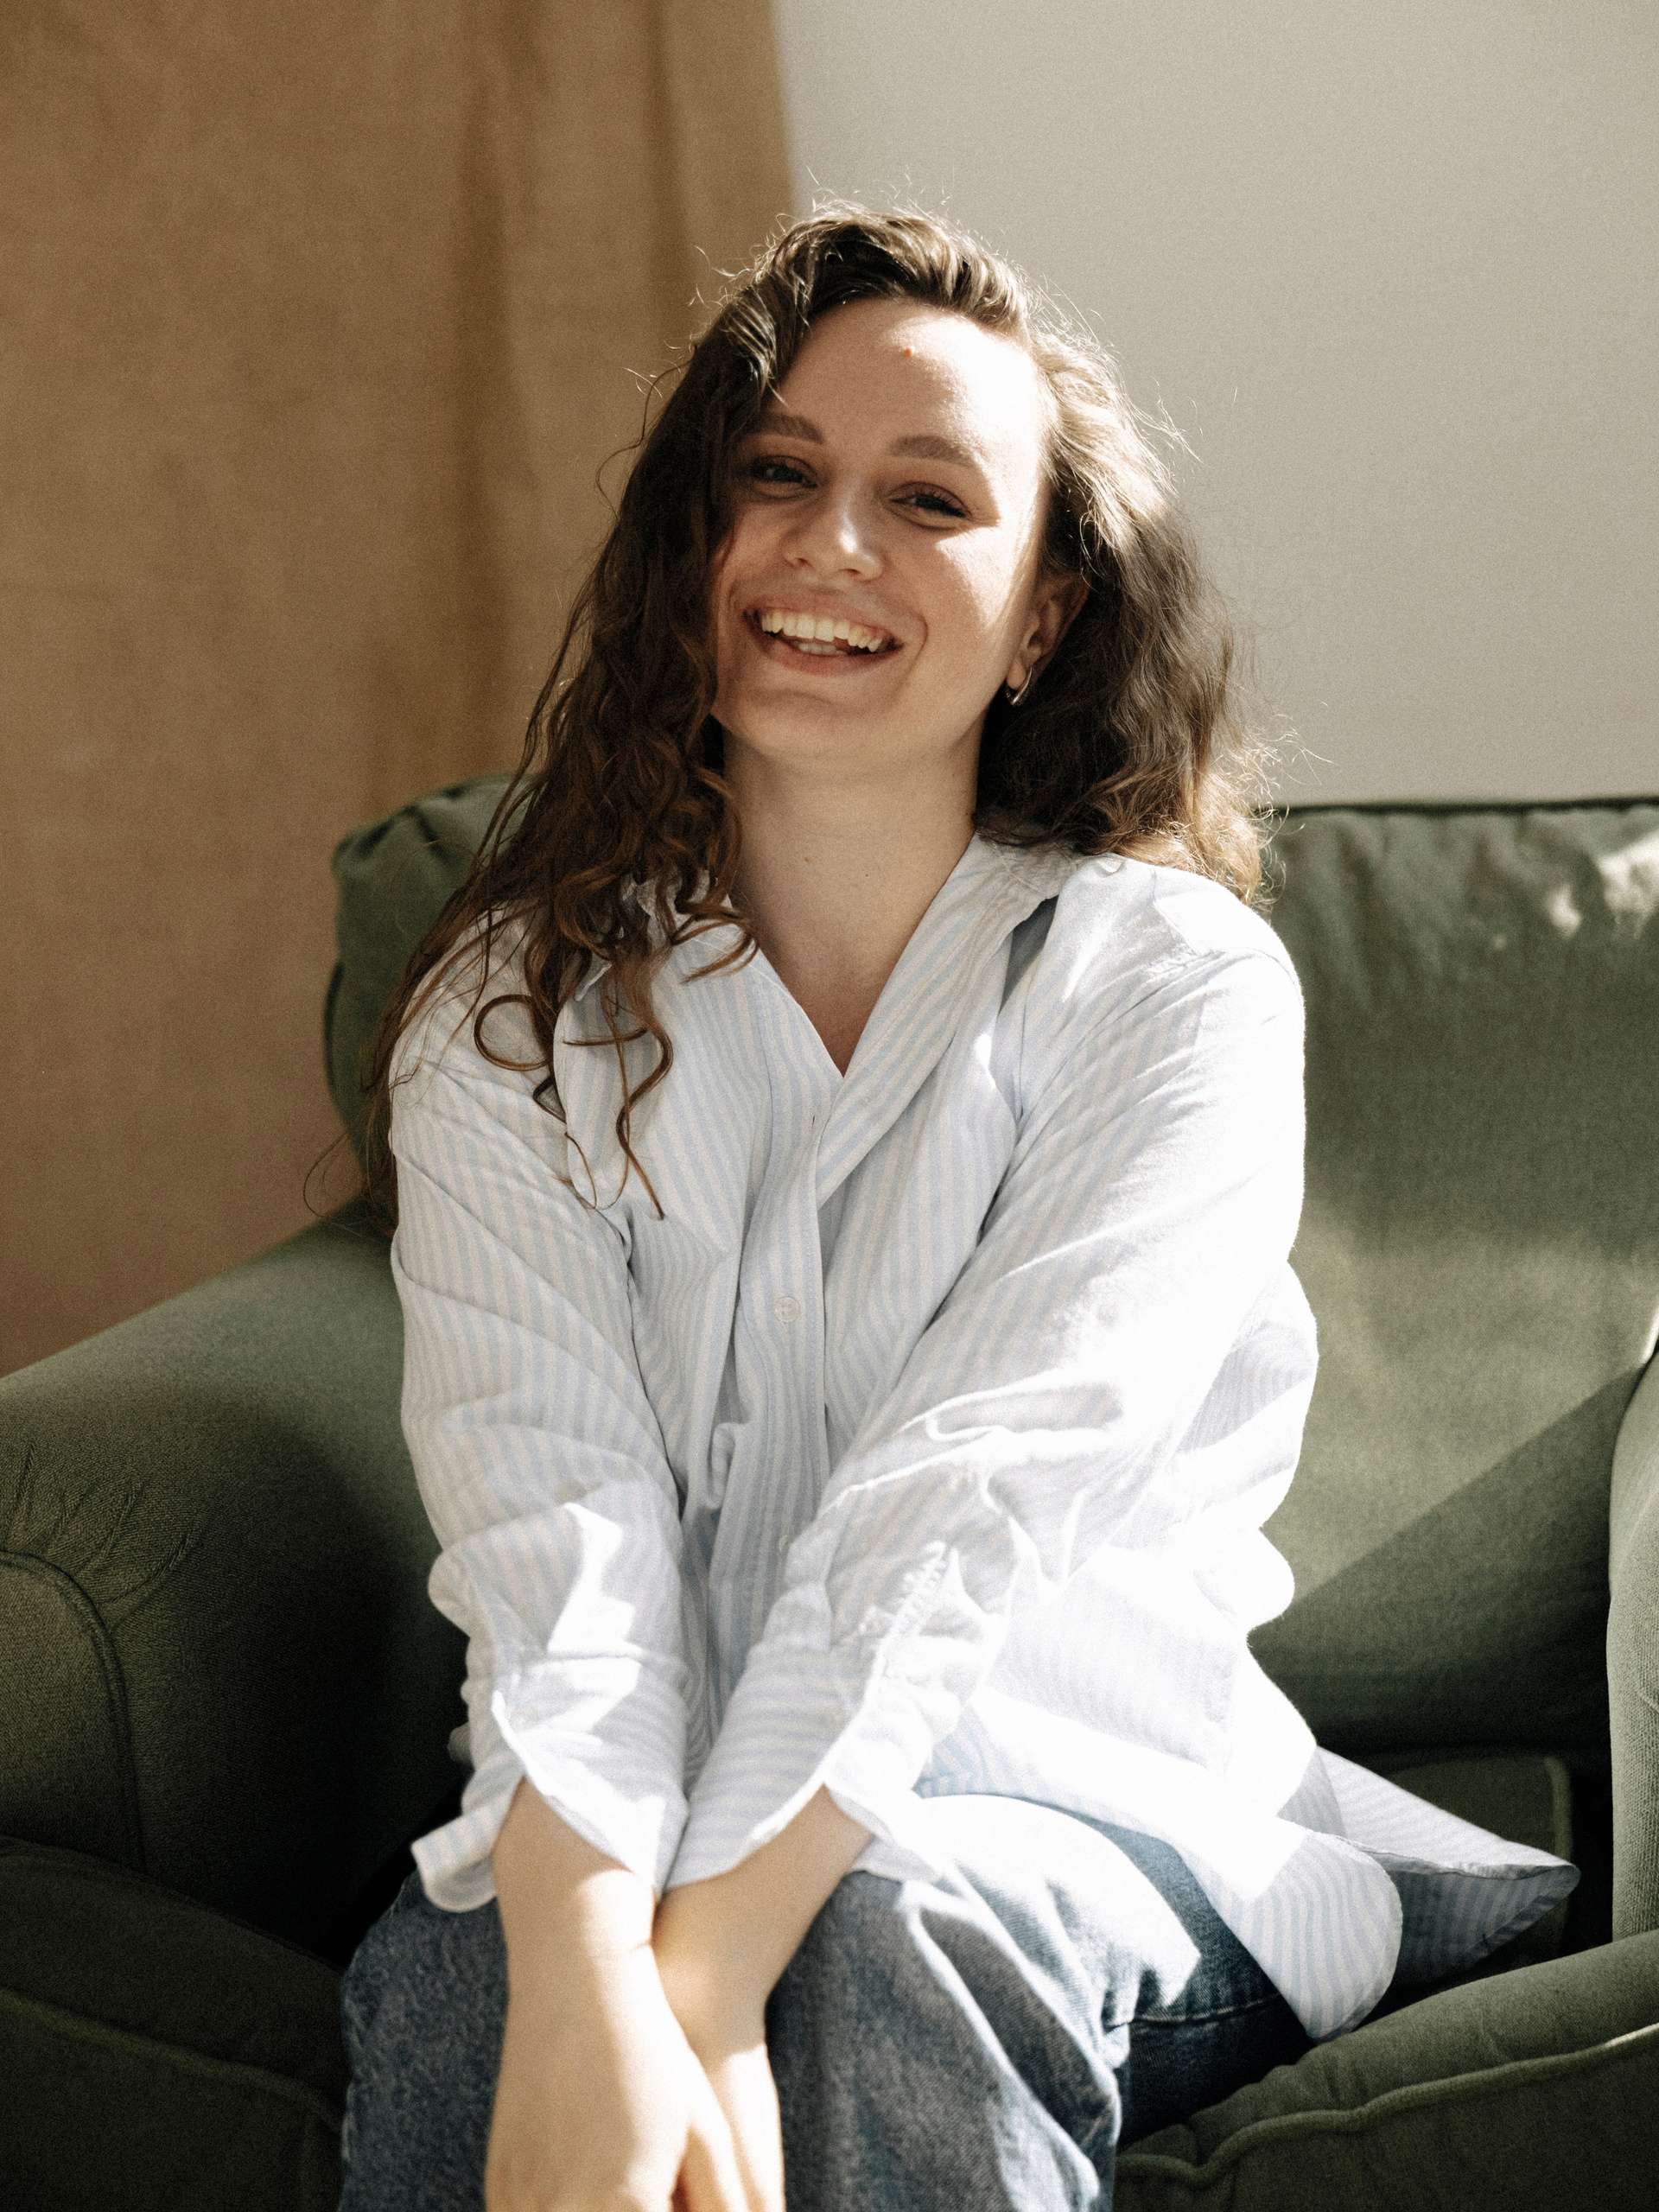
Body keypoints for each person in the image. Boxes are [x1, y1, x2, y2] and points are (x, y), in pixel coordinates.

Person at [338, 207, 1388, 2212]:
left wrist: (708, 1976)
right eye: (778, 474)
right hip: (637, 1809)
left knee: (880, 1942)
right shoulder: (506, 1014)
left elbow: (970, 1494)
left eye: (928, 498)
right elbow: (552, 1517)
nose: (832, 545)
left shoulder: (1171, 988)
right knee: (476, 1983)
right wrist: (589, 1956)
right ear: (695, 542)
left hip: (1088, 1815)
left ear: (1046, 614)